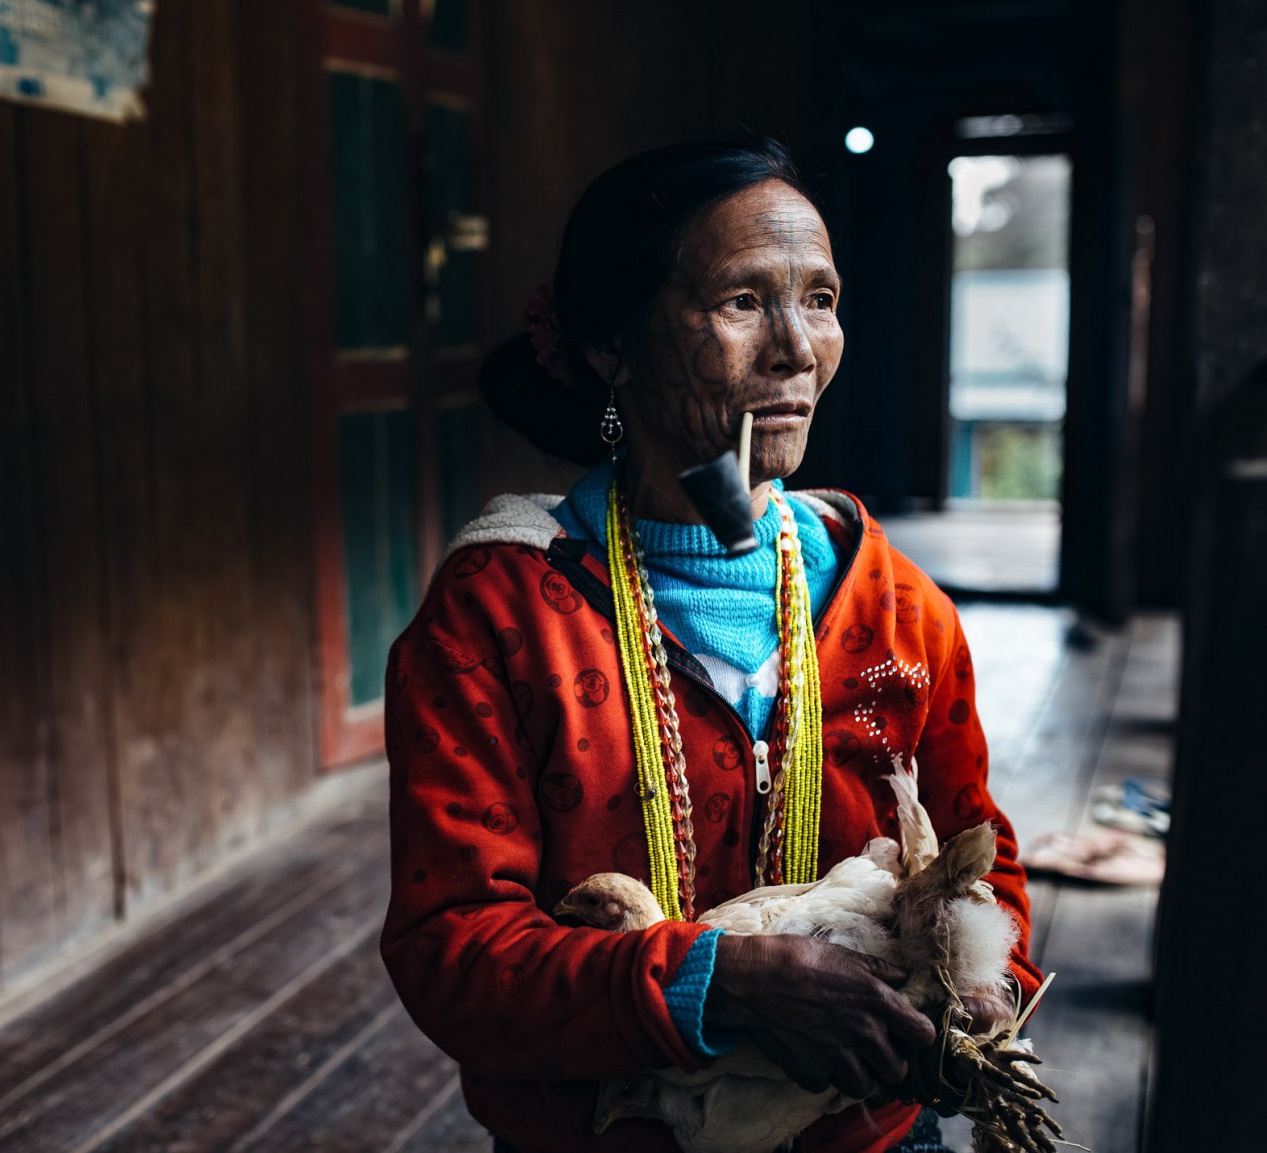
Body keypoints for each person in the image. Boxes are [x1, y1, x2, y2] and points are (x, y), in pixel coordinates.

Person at [380, 137, 1043, 1153]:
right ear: (612, 343)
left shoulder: (900, 611)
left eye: (818, 299)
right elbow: (454, 948)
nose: (795, 349)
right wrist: (721, 983)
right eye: (741, 301)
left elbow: (979, 863)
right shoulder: (496, 616)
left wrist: (981, 987)